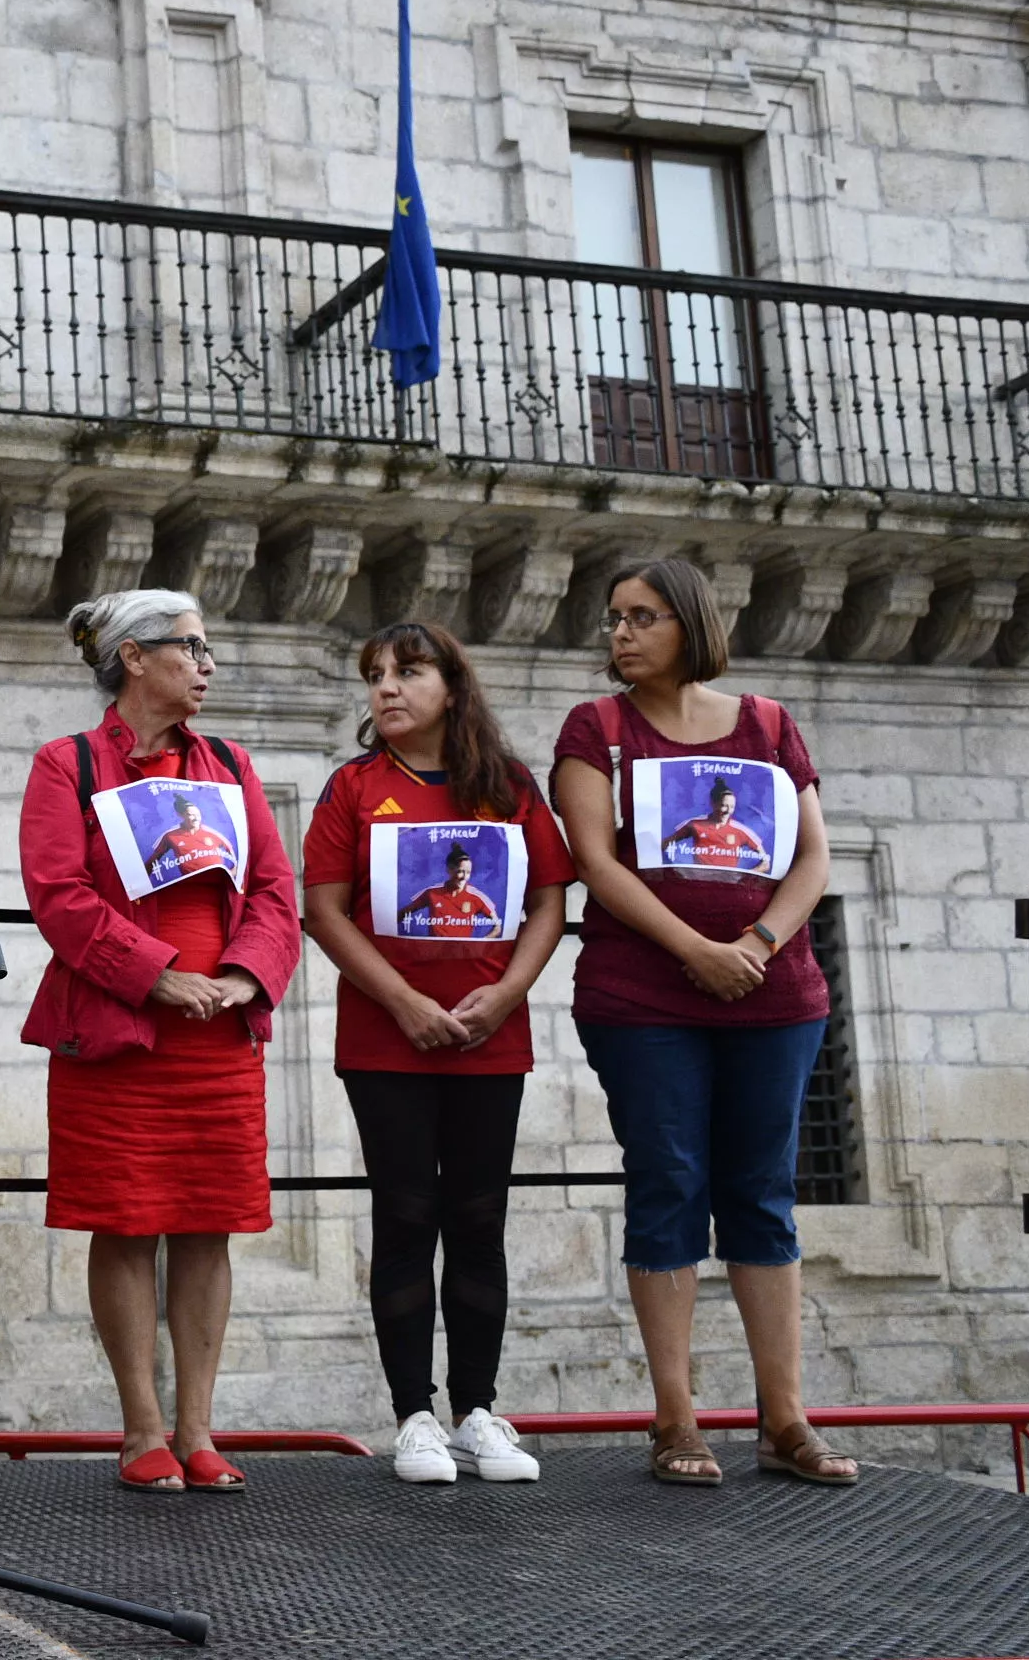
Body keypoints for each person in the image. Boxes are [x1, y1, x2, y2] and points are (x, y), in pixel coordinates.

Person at [548, 557, 854, 1489]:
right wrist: (697, 950)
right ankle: (675, 1416)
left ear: (690, 623)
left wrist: (756, 943)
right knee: (671, 1180)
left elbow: (812, 860)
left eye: (642, 617)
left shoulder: (767, 725)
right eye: (613, 620)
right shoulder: (596, 730)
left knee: (761, 1191)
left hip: (776, 994)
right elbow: (596, 864)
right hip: (644, 1000)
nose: (621, 634)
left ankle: (784, 1420)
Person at [18, 589, 299, 1495]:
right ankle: (142, 1428)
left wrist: (243, 978)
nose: (207, 663)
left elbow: (275, 892)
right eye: (190, 646)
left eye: (208, 647)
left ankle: (198, 1429)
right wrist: (155, 973)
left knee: (208, 1224)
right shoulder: (66, 765)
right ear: (134, 658)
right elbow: (58, 895)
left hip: (217, 1033)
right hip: (120, 1030)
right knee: (127, 1223)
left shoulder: (231, 765)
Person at [301, 622, 575, 1486]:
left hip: (491, 1042)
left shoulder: (509, 786)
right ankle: (414, 1416)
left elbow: (547, 903)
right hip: (387, 1044)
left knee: (479, 1222)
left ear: (452, 688)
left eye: (408, 673)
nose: (386, 688)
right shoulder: (354, 787)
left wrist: (506, 995)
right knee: (406, 1218)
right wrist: (405, 1001)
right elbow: (325, 911)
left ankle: (479, 1412)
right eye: (374, 673)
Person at [399, 844, 501, 940]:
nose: (465, 877)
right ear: (449, 870)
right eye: (460, 871)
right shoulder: (432, 892)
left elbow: (497, 926)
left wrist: (479, 944)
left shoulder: (476, 896)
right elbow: (403, 913)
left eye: (468, 872)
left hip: (462, 956)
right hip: (435, 954)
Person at [668, 781, 769, 871]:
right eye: (724, 805)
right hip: (699, 883)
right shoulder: (695, 824)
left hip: (730, 887)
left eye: (732, 807)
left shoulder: (741, 830)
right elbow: (664, 844)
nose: (728, 811)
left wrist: (744, 878)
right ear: (713, 803)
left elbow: (766, 863)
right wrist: (678, 872)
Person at [143, 794, 237, 884]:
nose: (196, 818)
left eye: (198, 815)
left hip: (217, 885)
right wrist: (144, 885)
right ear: (181, 815)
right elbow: (152, 861)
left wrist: (233, 873)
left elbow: (233, 854)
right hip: (191, 886)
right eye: (191, 815)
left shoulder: (212, 833)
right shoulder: (170, 835)